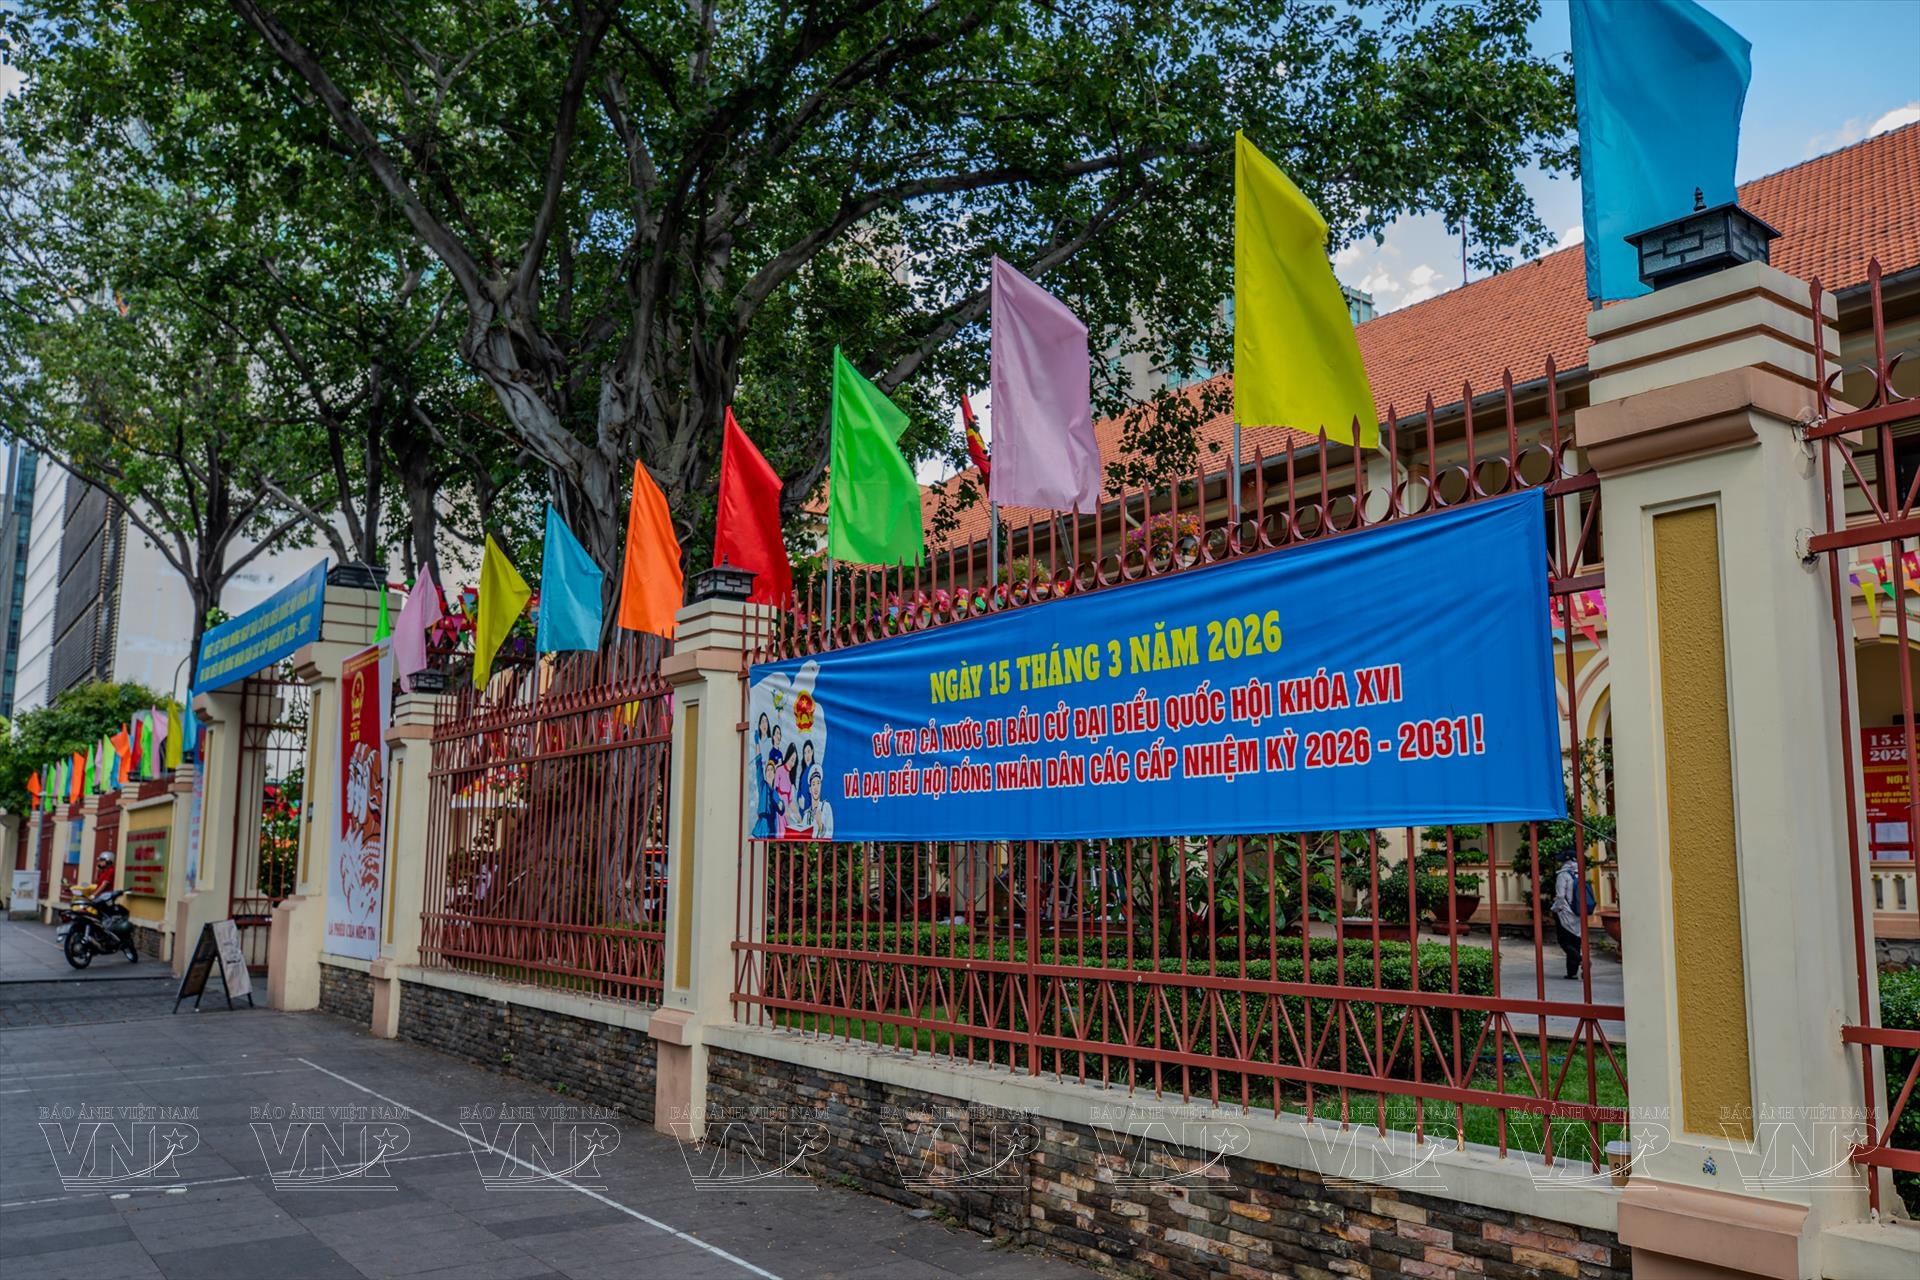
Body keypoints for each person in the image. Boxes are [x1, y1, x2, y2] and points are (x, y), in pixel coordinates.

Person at [1550, 852, 1585, 979]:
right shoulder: (1579, 874)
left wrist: (1556, 909)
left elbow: (1560, 896)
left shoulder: (1563, 875)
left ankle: (1581, 960)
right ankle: (1572, 972)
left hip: (1565, 912)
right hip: (1578, 912)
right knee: (1575, 941)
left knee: (1564, 941)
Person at [807, 769, 833, 840]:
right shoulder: (807, 815)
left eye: (818, 783)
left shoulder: (826, 807)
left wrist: (820, 824)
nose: (816, 788)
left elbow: (830, 834)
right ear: (810, 789)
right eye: (813, 784)